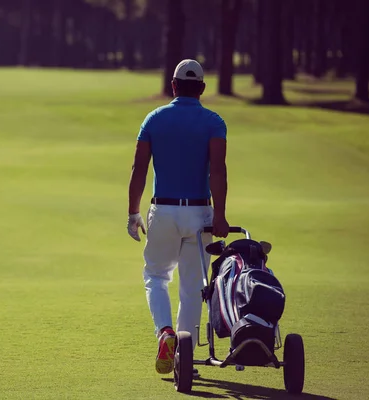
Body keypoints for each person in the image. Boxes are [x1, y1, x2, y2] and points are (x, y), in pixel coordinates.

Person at [126, 59, 230, 376]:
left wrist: (133, 212)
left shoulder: (154, 119)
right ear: (201, 88)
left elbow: (139, 169)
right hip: (200, 212)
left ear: (173, 86)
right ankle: (184, 359)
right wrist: (222, 215)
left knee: (156, 276)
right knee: (192, 288)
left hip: (164, 209)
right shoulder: (214, 122)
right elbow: (218, 171)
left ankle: (165, 333)